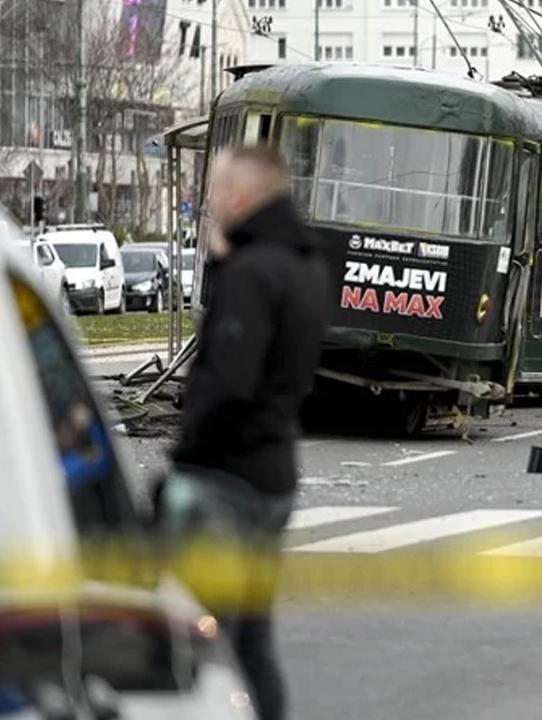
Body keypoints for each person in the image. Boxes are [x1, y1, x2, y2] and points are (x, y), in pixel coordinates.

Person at [170, 146, 329, 720]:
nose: (209, 202)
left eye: (214, 191)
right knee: (252, 640)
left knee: (194, 634)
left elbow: (228, 382)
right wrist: (223, 264)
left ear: (240, 196)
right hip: (274, 473)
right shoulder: (304, 265)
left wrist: (184, 461)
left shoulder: (255, 273)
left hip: (226, 483)